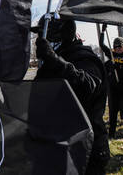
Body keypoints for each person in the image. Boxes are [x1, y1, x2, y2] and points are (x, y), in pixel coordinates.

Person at [32, 14, 109, 175]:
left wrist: (55, 61)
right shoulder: (50, 63)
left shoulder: (84, 57)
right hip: (57, 143)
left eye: (44, 33)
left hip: (85, 148)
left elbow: (88, 85)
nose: (41, 38)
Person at [99, 26, 123, 138]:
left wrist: (120, 66)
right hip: (114, 86)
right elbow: (102, 45)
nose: (117, 49)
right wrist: (102, 31)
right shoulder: (111, 54)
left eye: (119, 46)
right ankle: (111, 134)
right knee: (113, 110)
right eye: (115, 47)